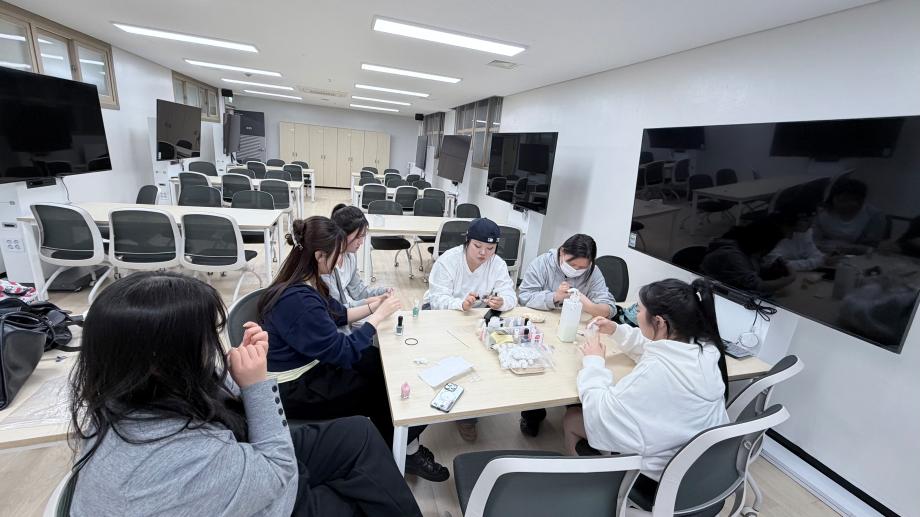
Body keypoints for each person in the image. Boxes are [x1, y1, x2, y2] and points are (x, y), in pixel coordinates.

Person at [69, 272, 421, 516]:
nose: (216, 349)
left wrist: (246, 370)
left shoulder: (130, 391)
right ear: (165, 361)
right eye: (205, 340)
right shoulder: (179, 461)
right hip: (266, 485)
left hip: (240, 463)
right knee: (362, 501)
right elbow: (279, 471)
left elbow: (219, 392)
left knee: (359, 431)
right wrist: (257, 384)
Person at [259, 216, 448, 482]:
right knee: (382, 392)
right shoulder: (299, 300)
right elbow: (344, 352)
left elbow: (338, 315)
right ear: (319, 255)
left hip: (307, 363)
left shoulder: (307, 282)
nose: (341, 261)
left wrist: (373, 306)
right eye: (337, 255)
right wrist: (377, 316)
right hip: (293, 387)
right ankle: (393, 453)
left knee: (380, 363)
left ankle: (400, 443)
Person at [563, 278, 730, 512]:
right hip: (702, 472)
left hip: (660, 482)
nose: (635, 314)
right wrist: (616, 330)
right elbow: (655, 347)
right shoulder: (705, 349)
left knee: (573, 418)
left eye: (639, 310)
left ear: (659, 321)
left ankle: (591, 497)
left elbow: (601, 415)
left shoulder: (654, 373)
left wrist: (593, 362)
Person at [422, 217, 517, 441]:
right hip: (442, 313)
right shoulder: (448, 260)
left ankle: (469, 414)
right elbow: (437, 299)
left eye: (490, 249)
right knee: (446, 360)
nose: (484, 253)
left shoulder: (497, 264)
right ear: (467, 241)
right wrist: (460, 304)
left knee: (483, 359)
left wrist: (502, 302)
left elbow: (511, 295)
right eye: (477, 246)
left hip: (475, 318)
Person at [516, 233, 616, 436]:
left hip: (576, 330)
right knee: (539, 368)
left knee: (575, 366)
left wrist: (586, 303)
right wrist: (555, 296)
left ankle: (574, 407)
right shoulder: (542, 264)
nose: (577, 270)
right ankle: (533, 415)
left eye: (582, 267)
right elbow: (524, 296)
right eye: (573, 265)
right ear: (562, 252)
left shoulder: (593, 272)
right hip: (543, 328)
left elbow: (609, 308)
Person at [324, 204, 395, 332]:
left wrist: (383, 292)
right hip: (342, 320)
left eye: (363, 236)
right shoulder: (326, 267)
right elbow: (336, 312)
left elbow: (359, 292)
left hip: (351, 313)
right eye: (358, 237)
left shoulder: (350, 256)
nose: (361, 242)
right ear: (342, 234)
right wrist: (370, 303)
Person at [701, 217, 796, 295]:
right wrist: (790, 278)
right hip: (717, 291)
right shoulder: (733, 254)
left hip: (730, 285)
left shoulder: (745, 245)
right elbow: (759, 286)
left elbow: (751, 268)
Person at [814, 178, 887, 251]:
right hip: (823, 252)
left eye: (849, 200)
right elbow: (814, 240)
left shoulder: (874, 216)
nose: (842, 204)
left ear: (861, 201)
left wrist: (845, 247)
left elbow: (870, 246)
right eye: (840, 200)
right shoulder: (822, 213)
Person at [765, 203, 827, 272]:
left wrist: (793, 264)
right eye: (805, 220)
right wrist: (815, 262)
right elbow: (779, 265)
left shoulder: (803, 234)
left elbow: (819, 257)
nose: (810, 223)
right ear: (791, 220)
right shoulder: (772, 239)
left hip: (801, 274)